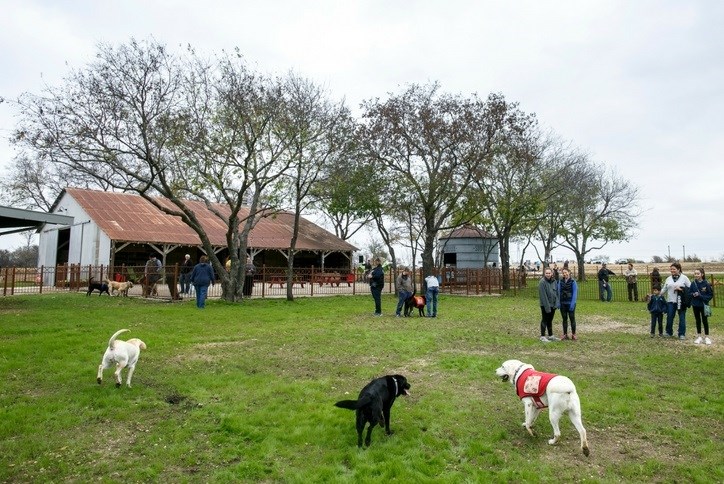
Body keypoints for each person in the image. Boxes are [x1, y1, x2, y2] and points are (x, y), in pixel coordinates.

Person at [660, 262, 691, 339]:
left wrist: (681, 289)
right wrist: (658, 294)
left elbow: (690, 289)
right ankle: (668, 332)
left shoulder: (684, 278)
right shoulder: (668, 278)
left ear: (679, 269)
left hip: (681, 301)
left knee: (682, 317)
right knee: (669, 316)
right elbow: (664, 288)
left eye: (674, 269)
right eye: (671, 269)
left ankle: (681, 334)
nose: (672, 271)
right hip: (671, 301)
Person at [689, 268, 713, 345]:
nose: (696, 275)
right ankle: (699, 336)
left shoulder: (706, 284)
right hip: (695, 305)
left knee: (705, 321)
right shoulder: (693, 283)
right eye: (695, 273)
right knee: (697, 320)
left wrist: (701, 296)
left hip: (703, 305)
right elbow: (689, 293)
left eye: (698, 273)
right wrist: (693, 294)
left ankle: (707, 337)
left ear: (702, 274)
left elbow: (710, 295)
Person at [538, 268, 560, 342]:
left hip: (553, 305)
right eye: (546, 273)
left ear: (552, 273)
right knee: (545, 320)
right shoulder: (542, 282)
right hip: (545, 305)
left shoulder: (554, 282)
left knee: (550, 320)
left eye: (549, 273)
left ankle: (550, 335)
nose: (548, 274)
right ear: (544, 273)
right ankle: (542, 336)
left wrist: (556, 304)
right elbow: (543, 296)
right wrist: (547, 308)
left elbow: (556, 293)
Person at [558, 268, 578, 340]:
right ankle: (565, 334)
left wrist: (573, 303)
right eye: (563, 273)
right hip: (563, 303)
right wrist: (558, 302)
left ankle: (573, 334)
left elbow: (575, 293)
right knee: (564, 319)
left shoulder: (573, 282)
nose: (564, 274)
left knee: (572, 318)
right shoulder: (560, 282)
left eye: (566, 272)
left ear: (569, 272)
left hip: (570, 303)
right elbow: (558, 292)